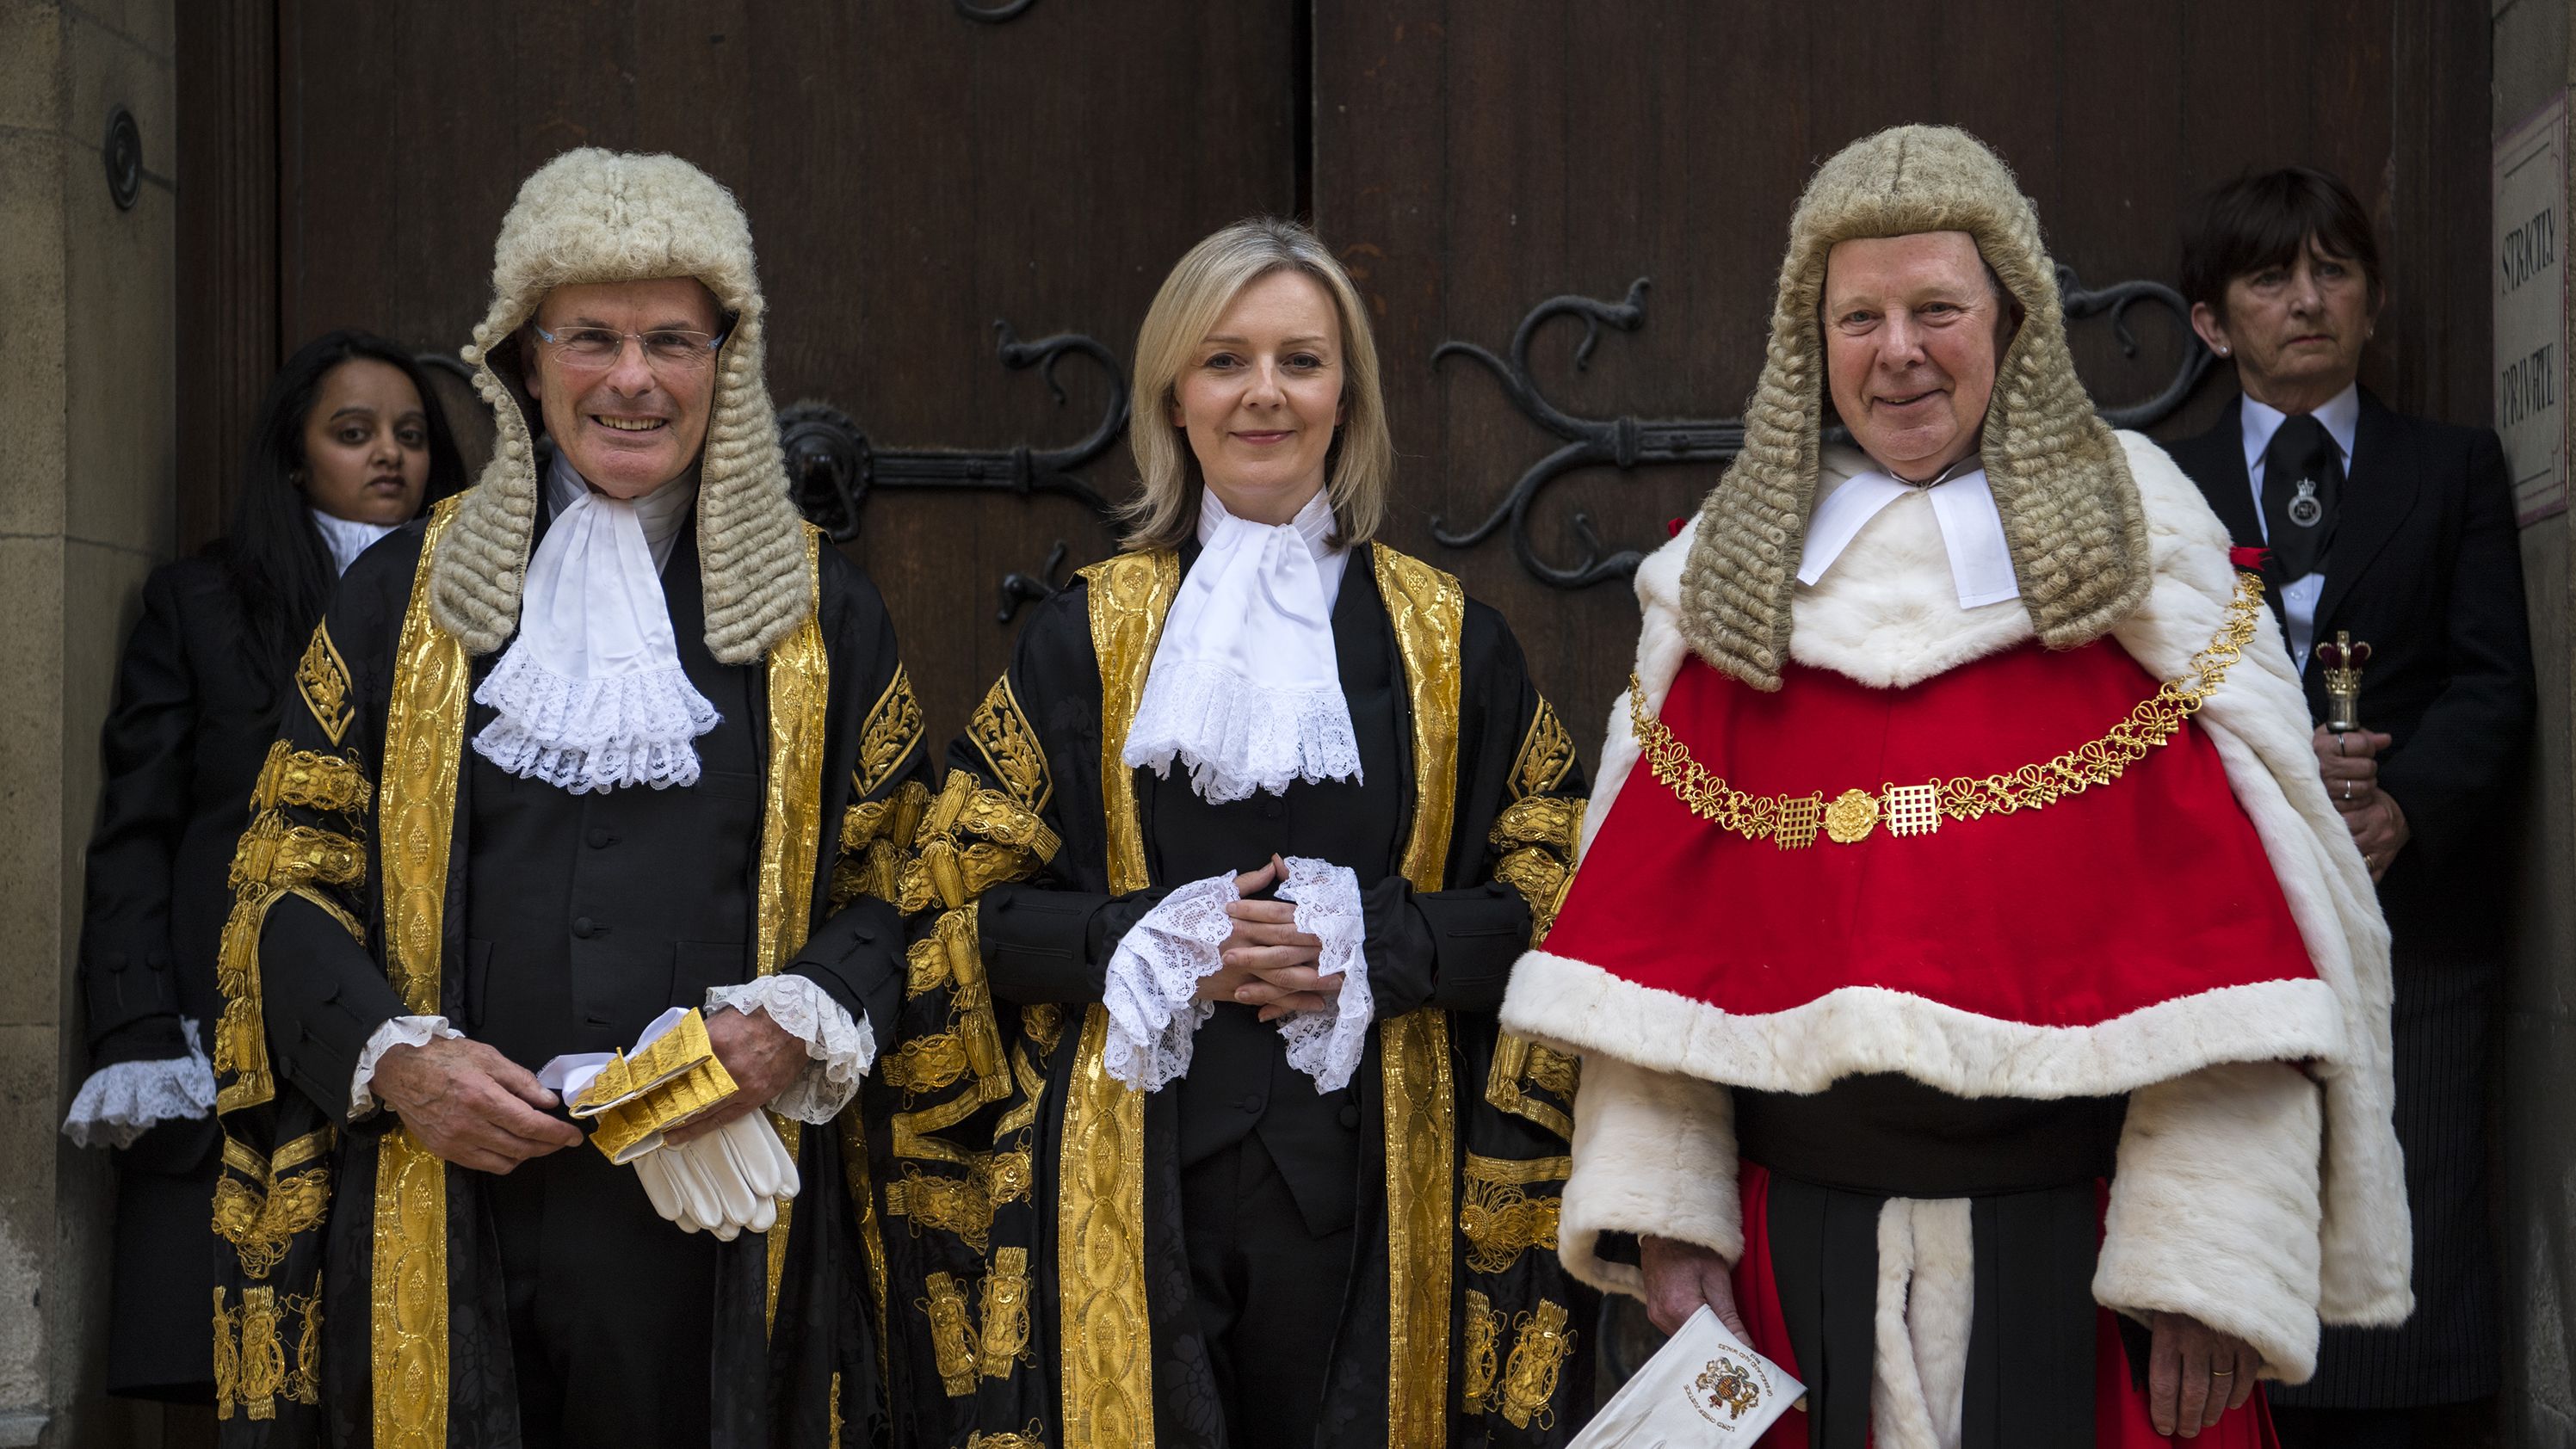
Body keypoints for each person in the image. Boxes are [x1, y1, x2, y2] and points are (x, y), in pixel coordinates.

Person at [1499, 126, 2412, 1447]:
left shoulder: (2143, 549)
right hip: (1788, 1240)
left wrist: (2205, 1259)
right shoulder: (1726, 576)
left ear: (2013, 323)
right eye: (1858, 316)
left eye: (1937, 309)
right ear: (1812, 342)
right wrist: (1665, 1219)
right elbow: (1653, 957)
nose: (1898, 351)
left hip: (2090, 1252)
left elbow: (2246, 960)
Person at [209, 150, 924, 1446]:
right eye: (590, 336)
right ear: (523, 363)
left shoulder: (821, 615)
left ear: (726, 361)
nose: (633, 378)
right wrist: (396, 1061)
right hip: (446, 1196)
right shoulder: (397, 603)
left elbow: (906, 883)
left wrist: (786, 1032)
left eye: (671, 339)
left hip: (719, 1216)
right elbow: (283, 874)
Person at [879, 217, 1595, 1449]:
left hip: (1382, 1193)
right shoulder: (1080, 638)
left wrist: (1374, 943)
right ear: (1175, 391)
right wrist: (1144, 941)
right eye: (1225, 359)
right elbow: (956, 907)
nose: (1263, 392)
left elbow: (1559, 898)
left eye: (1300, 361)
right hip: (1131, 1183)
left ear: (1345, 395)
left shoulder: (1451, 642)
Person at [2168, 166, 2534, 1449]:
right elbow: (2125, 713)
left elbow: (2496, 683)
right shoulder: (2159, 488)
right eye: (2270, 278)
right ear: (2213, 322)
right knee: (2233, 1221)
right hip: (2223, 931)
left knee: (2416, 1234)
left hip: (2414, 935)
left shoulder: (2453, 470)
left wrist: (2405, 813)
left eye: (2333, 273)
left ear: (2373, 303)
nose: (2307, 301)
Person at [61, 329, 466, 1403]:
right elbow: (138, 831)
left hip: (420, 1018)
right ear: (296, 456)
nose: (390, 455)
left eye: (412, 435)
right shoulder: (200, 604)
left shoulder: (484, 606)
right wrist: (139, 1027)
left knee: (405, 1360)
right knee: (241, 1367)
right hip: (228, 1016)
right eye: (353, 433)